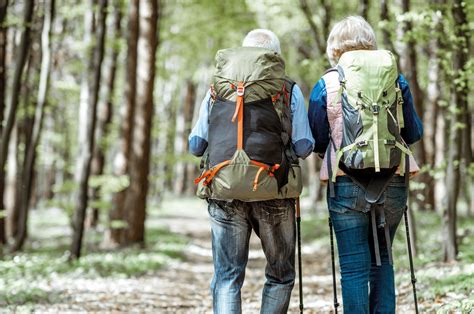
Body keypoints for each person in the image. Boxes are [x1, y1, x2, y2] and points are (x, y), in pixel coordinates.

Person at [189, 29, 314, 313]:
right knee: (280, 274)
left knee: (227, 277)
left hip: (223, 190)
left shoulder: (216, 89)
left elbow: (196, 145)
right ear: (275, 57)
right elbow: (304, 146)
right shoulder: (287, 88)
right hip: (273, 185)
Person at [308, 16, 423, 313]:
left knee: (353, 266)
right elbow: (414, 132)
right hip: (394, 177)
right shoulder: (396, 79)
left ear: (334, 47)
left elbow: (318, 140)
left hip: (345, 180)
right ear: (370, 41)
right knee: (383, 258)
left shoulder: (326, 83)